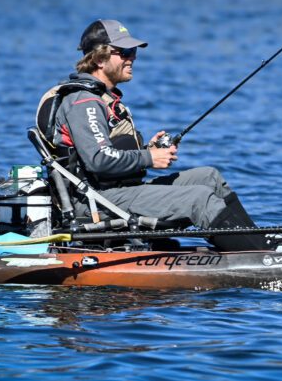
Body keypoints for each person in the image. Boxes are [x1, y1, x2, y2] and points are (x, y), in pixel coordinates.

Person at [47, 19, 268, 251]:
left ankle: (259, 242)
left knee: (209, 177)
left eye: (132, 52)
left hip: (119, 190)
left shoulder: (104, 98)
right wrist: (149, 158)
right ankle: (256, 255)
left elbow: (109, 152)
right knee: (198, 198)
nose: (132, 58)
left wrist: (146, 150)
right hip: (96, 202)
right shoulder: (85, 102)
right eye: (124, 52)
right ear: (100, 59)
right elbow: (99, 160)